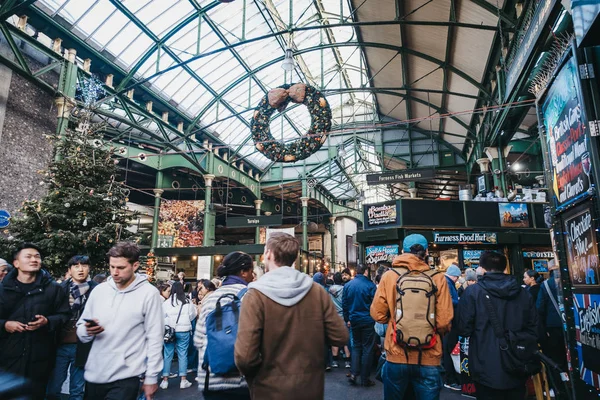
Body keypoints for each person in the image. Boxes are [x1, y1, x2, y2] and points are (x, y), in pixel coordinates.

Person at [235, 232, 348, 400]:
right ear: (294, 258)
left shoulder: (255, 295)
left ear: (268, 254)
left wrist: (257, 376)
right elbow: (340, 336)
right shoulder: (316, 291)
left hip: (268, 389)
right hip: (310, 388)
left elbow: (245, 357)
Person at [76, 242, 164, 400]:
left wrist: (151, 377)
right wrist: (87, 331)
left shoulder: (149, 294)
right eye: (112, 267)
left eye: (121, 268)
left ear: (135, 265)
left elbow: (155, 337)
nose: (115, 272)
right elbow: (81, 327)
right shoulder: (99, 291)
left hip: (127, 376)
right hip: (94, 374)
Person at [371, 234, 453, 400]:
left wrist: (395, 319)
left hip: (396, 353)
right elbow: (444, 321)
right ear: (427, 252)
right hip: (428, 356)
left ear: (402, 251)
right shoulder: (438, 278)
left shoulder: (389, 276)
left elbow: (377, 314)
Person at [457, 251, 538, 400]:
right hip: (517, 360)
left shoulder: (472, 293)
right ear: (505, 268)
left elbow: (463, 328)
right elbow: (533, 325)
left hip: (484, 362)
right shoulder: (523, 292)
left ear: (482, 268)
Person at [0, 243, 70, 398]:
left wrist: (47, 321)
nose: (34, 259)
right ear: (16, 263)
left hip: (40, 361)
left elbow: (64, 316)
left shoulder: (54, 289)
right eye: (28, 256)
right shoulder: (2, 289)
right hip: (6, 359)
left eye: (37, 256)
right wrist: (5, 324)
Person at [194, 251, 255, 399]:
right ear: (244, 272)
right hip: (243, 380)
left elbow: (198, 341)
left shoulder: (210, 299)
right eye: (251, 271)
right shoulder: (253, 297)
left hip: (212, 379)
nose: (253, 276)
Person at [47, 255, 98, 400]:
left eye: (84, 266)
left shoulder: (97, 290)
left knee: (77, 389)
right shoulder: (59, 288)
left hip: (83, 345)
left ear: (89, 268)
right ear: (70, 270)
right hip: (60, 343)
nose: (80, 269)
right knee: (54, 387)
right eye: (76, 266)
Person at [343, 263, 377, 387]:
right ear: (366, 272)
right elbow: (375, 304)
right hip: (368, 320)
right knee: (367, 349)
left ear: (356, 272)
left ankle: (353, 373)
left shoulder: (348, 286)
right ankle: (365, 378)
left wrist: (348, 318)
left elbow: (345, 304)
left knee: (356, 347)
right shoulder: (370, 285)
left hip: (354, 319)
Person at [160, 281, 197, 390]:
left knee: (168, 355)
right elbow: (192, 315)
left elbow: (162, 316)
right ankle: (183, 380)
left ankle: (165, 380)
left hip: (169, 331)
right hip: (184, 330)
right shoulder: (187, 301)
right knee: (183, 354)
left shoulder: (166, 303)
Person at [442, 264, 461, 391]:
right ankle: (450, 379)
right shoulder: (447, 284)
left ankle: (449, 376)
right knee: (449, 350)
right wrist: (459, 301)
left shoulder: (445, 282)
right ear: (454, 276)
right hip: (449, 322)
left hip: (447, 322)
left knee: (447, 349)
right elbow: (448, 301)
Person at [329, 272, 351, 369]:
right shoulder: (344, 289)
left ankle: (334, 361)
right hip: (343, 316)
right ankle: (347, 361)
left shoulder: (329, 290)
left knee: (335, 339)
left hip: (334, 316)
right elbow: (346, 303)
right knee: (346, 339)